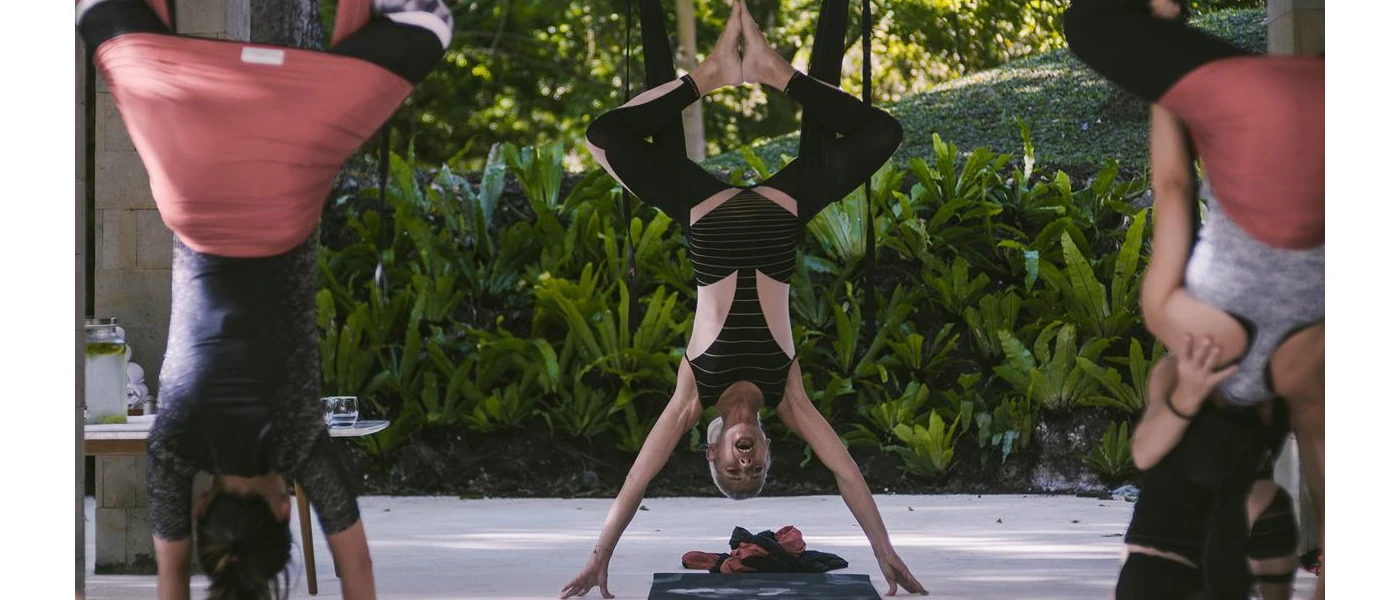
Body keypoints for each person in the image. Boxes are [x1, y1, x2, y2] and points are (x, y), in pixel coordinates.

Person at [75, 0, 453, 597]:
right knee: (101, 16)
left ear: (284, 515)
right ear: (202, 509)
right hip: (187, 164)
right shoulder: (173, 446)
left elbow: (358, 574)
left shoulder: (300, 440)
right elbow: (170, 579)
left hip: (289, 155)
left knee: (425, 27)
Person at [561, 1, 926, 597]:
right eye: (756, 471)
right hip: (786, 205)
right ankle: (774, 72)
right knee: (883, 132)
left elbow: (635, 481)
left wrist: (600, 557)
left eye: (734, 471)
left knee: (604, 137)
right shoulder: (789, 396)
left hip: (703, 211)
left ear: (711, 452)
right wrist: (885, 553)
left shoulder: (692, 392)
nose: (746, 464)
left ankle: (706, 76)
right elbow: (846, 473)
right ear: (767, 449)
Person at [1061, 1, 1323, 595]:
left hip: (1298, 110)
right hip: (1264, 117)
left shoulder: (1292, 365)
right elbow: (1172, 185)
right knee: (1088, 23)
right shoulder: (1184, 325)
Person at [1118, 336, 1300, 599]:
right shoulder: (1175, 371)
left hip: (1225, 558)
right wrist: (1187, 399)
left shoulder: (1283, 384)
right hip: (1158, 561)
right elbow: (1143, 454)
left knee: (1267, 500)